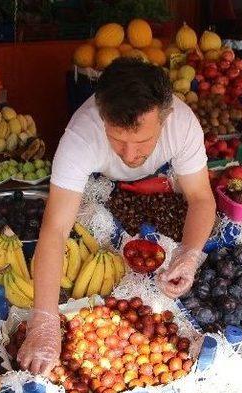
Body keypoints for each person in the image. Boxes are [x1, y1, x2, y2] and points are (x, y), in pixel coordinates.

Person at [17, 58, 217, 376]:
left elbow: (201, 198)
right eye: (117, 140)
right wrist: (44, 316)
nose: (128, 154)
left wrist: (190, 253)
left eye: (142, 142)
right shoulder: (80, 136)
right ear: (101, 115)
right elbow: (55, 229)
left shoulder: (183, 125)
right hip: (98, 180)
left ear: (165, 120)